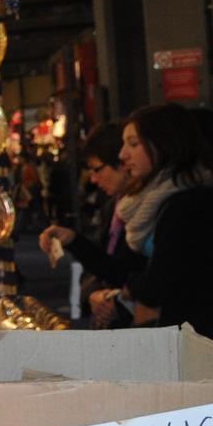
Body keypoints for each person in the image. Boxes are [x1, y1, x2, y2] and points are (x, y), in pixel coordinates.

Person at [108, 103, 213, 339]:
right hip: (178, 331)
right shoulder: (156, 200)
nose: (123, 154)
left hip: (189, 337)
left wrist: (130, 289)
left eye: (134, 144)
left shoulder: (189, 203)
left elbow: (161, 282)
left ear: (163, 144)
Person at [38, 123, 146, 328]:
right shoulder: (116, 207)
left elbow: (126, 273)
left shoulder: (148, 209)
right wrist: (72, 239)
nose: (94, 179)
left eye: (97, 169)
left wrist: (116, 296)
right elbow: (110, 267)